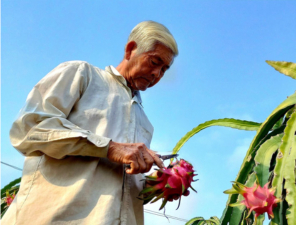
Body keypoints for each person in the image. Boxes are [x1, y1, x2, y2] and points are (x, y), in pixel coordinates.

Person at [2, 21, 178, 225]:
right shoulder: (82, 75)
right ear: (131, 50)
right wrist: (110, 147)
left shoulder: (145, 123)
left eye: (164, 69)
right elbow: (30, 127)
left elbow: (119, 186)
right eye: (154, 62)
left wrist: (155, 187)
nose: (157, 74)